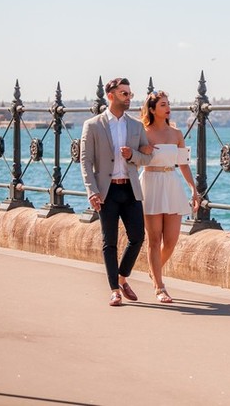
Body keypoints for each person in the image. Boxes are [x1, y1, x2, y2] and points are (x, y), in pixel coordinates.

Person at [80, 77, 154, 307]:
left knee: (138, 237)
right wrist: (92, 191)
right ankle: (114, 291)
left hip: (130, 189)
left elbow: (147, 157)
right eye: (124, 93)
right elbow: (85, 161)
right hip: (107, 191)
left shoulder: (136, 126)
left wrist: (133, 155)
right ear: (111, 96)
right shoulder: (93, 125)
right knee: (109, 241)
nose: (129, 97)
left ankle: (122, 277)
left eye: (130, 94)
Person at [140, 90, 200, 303]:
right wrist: (143, 150)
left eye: (168, 104)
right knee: (154, 239)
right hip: (151, 183)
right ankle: (159, 286)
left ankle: (153, 271)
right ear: (152, 109)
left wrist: (193, 189)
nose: (168, 108)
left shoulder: (176, 134)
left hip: (171, 183)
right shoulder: (143, 132)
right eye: (163, 105)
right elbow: (134, 160)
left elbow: (183, 164)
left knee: (172, 240)